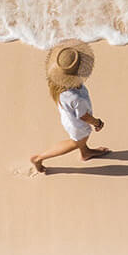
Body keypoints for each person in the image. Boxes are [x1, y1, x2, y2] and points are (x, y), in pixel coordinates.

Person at [30, 39, 109, 173]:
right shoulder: (77, 98)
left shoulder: (56, 84)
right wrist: (97, 122)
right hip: (77, 123)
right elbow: (84, 116)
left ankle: (85, 152)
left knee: (80, 140)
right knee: (76, 142)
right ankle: (39, 158)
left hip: (68, 117)